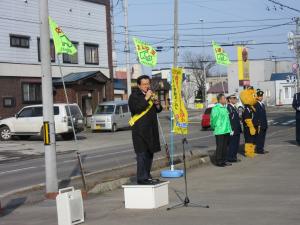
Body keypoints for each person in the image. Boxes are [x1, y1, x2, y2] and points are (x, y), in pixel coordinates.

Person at [128, 75, 163, 185]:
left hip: (151, 130)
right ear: (139, 85)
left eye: (148, 84)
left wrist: (157, 104)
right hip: (140, 131)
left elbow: (158, 110)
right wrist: (146, 98)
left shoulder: (151, 95)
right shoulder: (134, 96)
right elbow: (136, 109)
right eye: (144, 84)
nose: (146, 86)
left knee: (149, 154)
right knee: (142, 154)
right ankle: (141, 178)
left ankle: (147, 175)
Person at [210, 93, 232, 167]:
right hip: (219, 131)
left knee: (225, 146)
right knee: (220, 147)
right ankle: (219, 161)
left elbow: (228, 120)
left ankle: (224, 160)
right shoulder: (216, 108)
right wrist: (214, 127)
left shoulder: (225, 108)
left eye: (225, 98)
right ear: (220, 100)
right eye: (224, 98)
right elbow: (213, 119)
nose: (225, 99)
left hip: (226, 130)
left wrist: (230, 129)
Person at [226, 94, 242, 162]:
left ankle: (234, 157)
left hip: (237, 129)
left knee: (236, 144)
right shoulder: (229, 107)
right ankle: (231, 157)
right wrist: (231, 129)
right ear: (229, 99)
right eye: (233, 98)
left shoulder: (234, 107)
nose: (235, 99)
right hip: (233, 129)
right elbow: (229, 120)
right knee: (232, 144)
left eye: (235, 98)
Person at [254, 89, 268, 154]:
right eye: (259, 96)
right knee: (259, 137)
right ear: (257, 97)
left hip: (264, 124)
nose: (261, 97)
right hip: (259, 124)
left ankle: (261, 148)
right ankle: (259, 149)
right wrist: (258, 124)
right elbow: (256, 115)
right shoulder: (256, 104)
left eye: (261, 96)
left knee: (263, 137)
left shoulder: (262, 104)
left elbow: (264, 115)